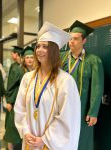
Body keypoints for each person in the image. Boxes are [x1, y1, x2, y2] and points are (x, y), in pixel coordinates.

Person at [14, 21, 81, 150]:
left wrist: (45, 140)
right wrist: (25, 131)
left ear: (54, 51)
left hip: (51, 145)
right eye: (38, 46)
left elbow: (68, 118)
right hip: (30, 142)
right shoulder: (27, 78)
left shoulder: (65, 81)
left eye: (45, 46)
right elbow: (20, 108)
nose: (40, 50)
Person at [61, 20, 104, 150]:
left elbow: (97, 88)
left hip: (82, 109)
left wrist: (93, 112)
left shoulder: (93, 61)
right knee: (62, 138)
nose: (71, 42)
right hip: (62, 107)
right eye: (70, 38)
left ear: (83, 41)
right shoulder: (61, 58)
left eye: (75, 39)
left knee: (82, 141)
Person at [4, 46, 24, 150]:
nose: (12, 55)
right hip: (15, 100)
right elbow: (11, 85)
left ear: (17, 54)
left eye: (13, 53)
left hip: (24, 102)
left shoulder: (23, 67)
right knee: (11, 127)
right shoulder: (14, 67)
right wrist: (9, 101)